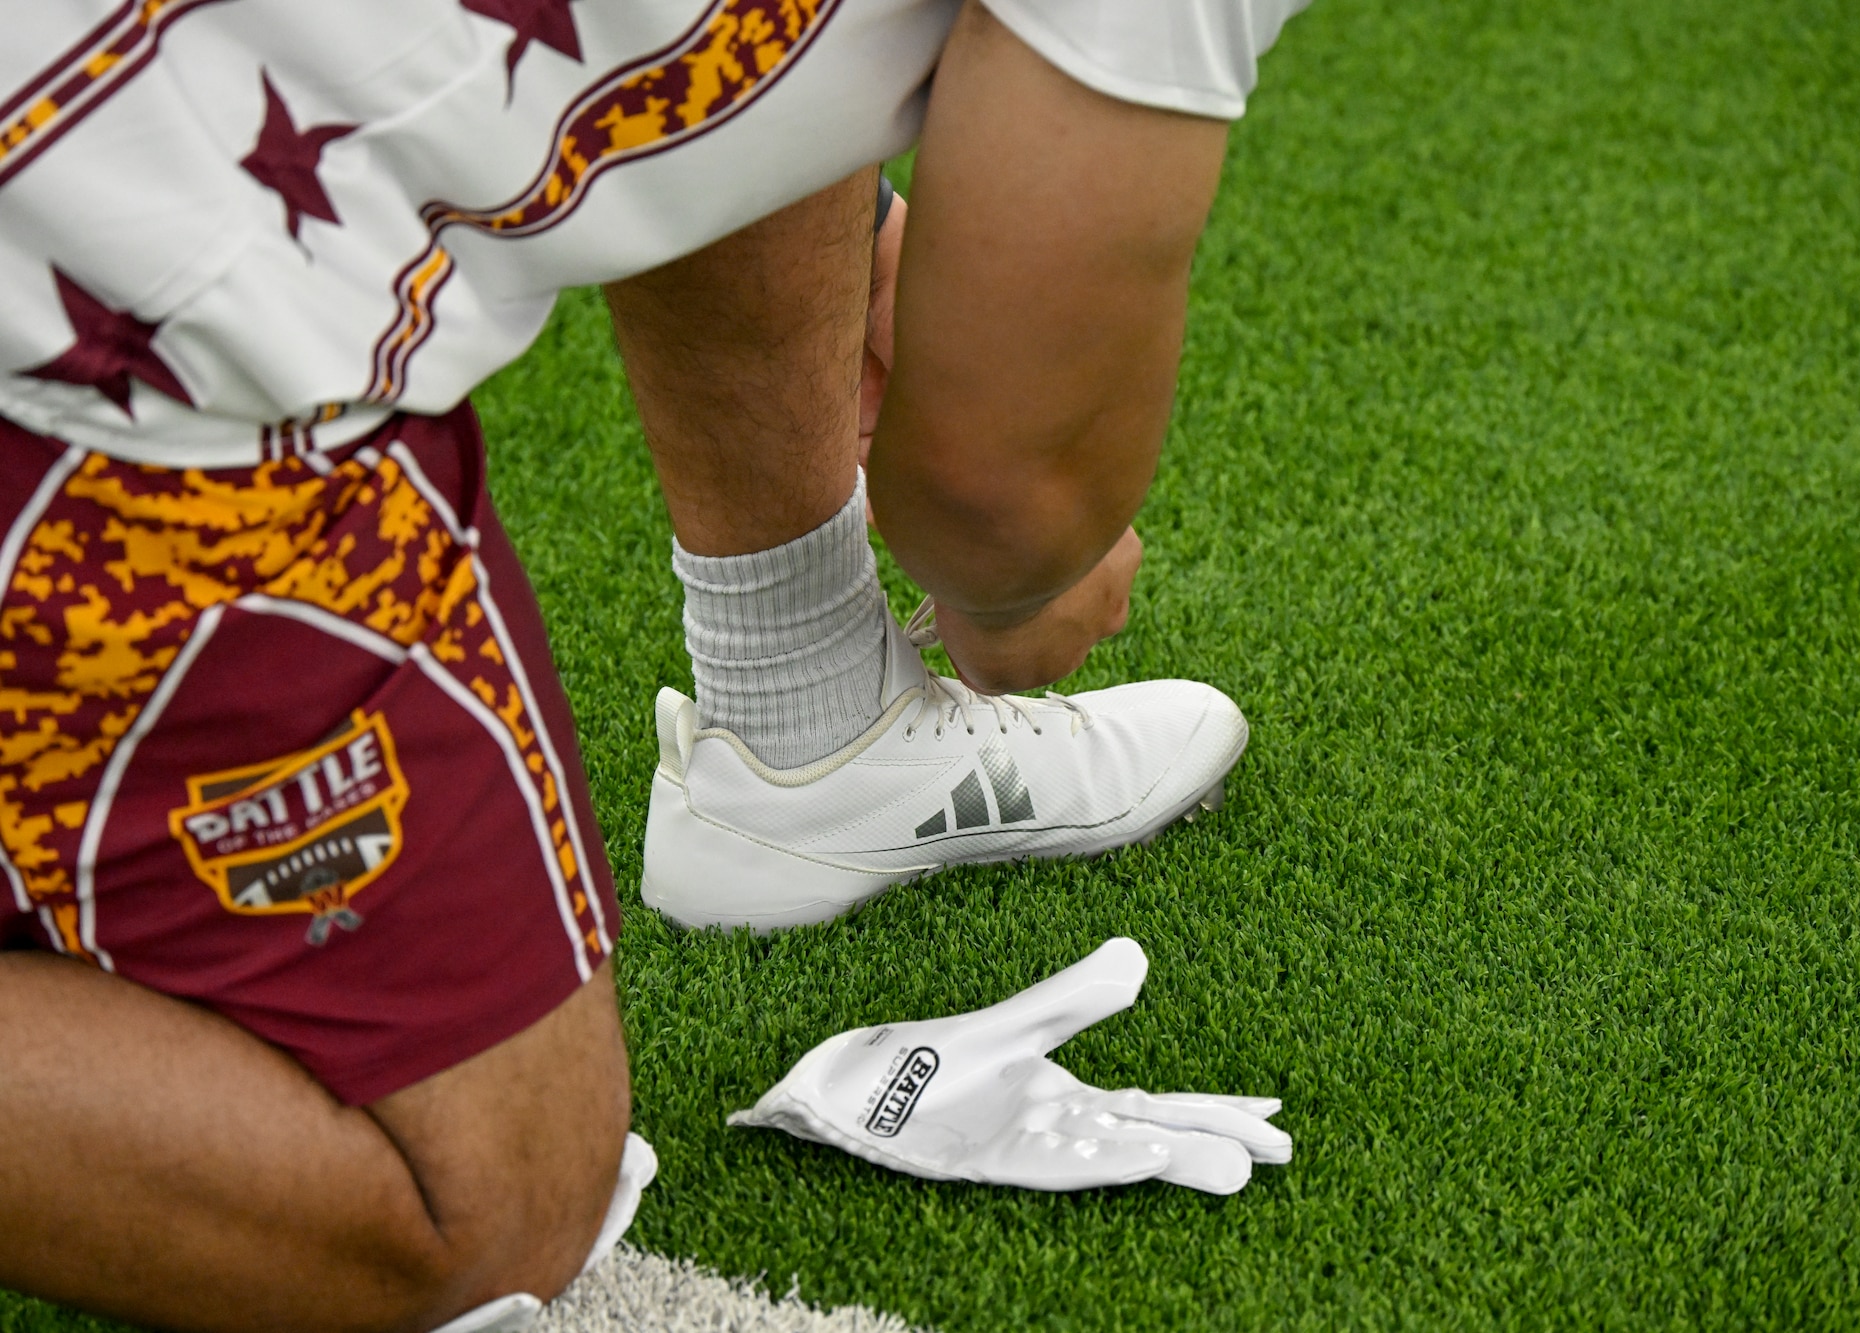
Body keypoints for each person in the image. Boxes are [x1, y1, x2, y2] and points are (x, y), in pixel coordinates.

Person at [0, 0, 1309, 1329]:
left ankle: (810, 729)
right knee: (481, 1198)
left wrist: (875, 246)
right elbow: (996, 490)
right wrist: (1024, 579)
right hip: (92, 338)